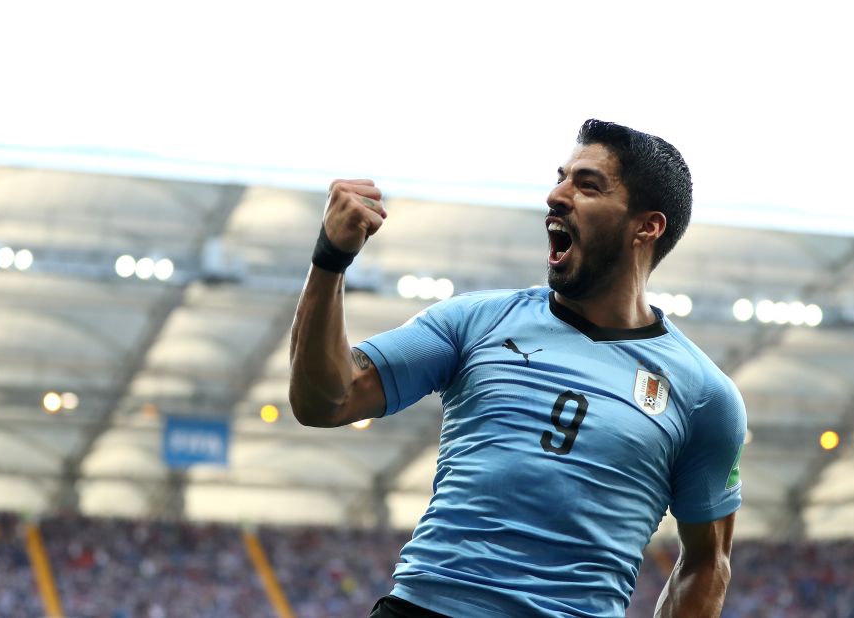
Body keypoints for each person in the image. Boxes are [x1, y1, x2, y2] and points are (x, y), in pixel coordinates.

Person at [289, 119, 746, 617]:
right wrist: (330, 260)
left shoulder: (704, 395)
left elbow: (707, 562)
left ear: (647, 226)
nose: (556, 195)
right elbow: (326, 400)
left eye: (587, 185)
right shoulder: (476, 321)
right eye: (561, 177)